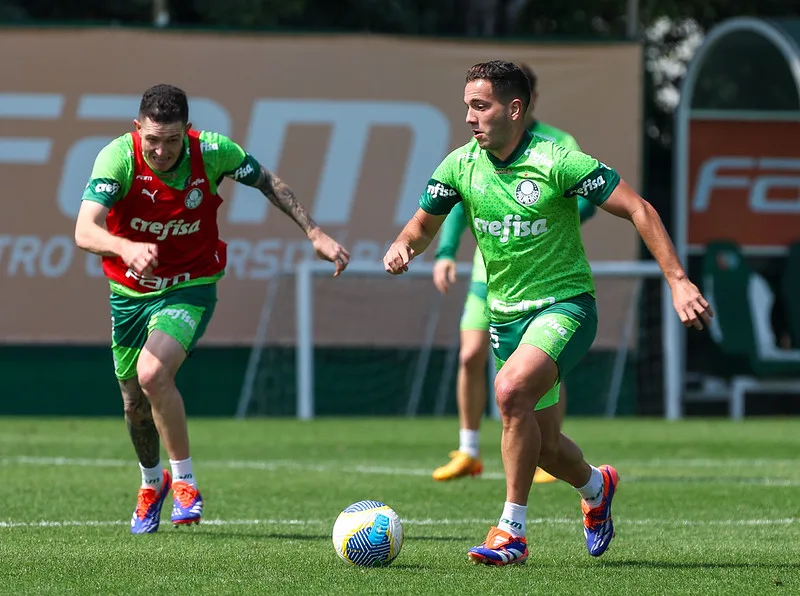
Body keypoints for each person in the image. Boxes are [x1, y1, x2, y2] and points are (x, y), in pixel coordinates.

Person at [383, 61, 712, 565]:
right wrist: (405, 246)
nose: (470, 117)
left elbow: (639, 209)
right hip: (506, 318)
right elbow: (421, 226)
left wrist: (678, 280)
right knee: (546, 445)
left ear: (514, 109)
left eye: (481, 106)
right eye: (467, 105)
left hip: (566, 308)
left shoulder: (558, 161)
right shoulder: (459, 166)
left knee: (510, 392)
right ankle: (596, 487)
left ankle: (511, 532)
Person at [74, 84, 350, 534]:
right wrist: (124, 248)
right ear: (137, 129)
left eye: (172, 140)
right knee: (133, 406)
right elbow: (85, 230)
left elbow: (267, 182)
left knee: (152, 375)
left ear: (188, 131)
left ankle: (185, 483)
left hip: (190, 286)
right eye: (153, 140)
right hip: (128, 294)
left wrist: (313, 231)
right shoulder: (117, 158)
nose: (162, 150)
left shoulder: (214, 152)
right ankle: (151, 483)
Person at [431, 62, 596, 485]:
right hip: (491, 279)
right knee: (470, 356)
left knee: (534, 373)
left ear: (521, 103)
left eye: (482, 105)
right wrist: (446, 252)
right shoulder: (470, 156)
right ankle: (469, 449)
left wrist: (538, 223)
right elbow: (452, 202)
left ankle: (544, 449)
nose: (472, 116)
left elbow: (592, 201)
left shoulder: (558, 146)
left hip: (546, 283)